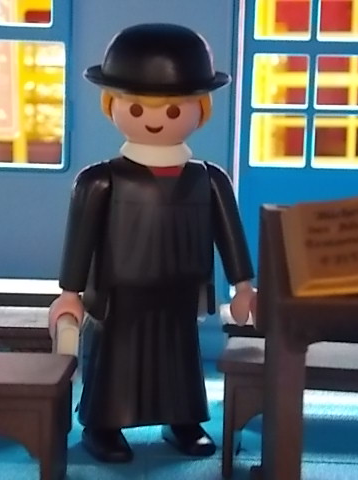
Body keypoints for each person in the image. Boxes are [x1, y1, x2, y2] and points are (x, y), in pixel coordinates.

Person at [48, 23, 256, 463]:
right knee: (115, 361)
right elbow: (80, 238)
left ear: (200, 109)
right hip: (119, 296)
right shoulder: (100, 180)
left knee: (181, 360)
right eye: (138, 107)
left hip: (182, 291)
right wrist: (69, 293)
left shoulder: (209, 179)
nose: (156, 119)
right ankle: (104, 424)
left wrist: (243, 285)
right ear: (113, 105)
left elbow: (230, 235)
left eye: (174, 109)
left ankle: (183, 420)